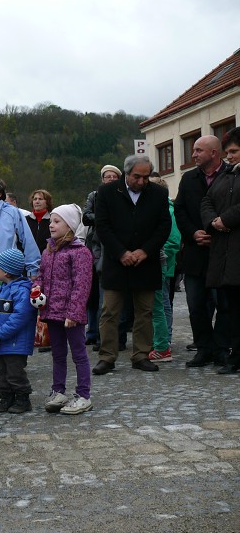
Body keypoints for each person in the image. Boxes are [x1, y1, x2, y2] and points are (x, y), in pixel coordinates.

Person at [92, 155, 171, 375]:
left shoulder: (158, 193)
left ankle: (141, 355)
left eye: (146, 177)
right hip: (116, 262)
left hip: (146, 261)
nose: (142, 181)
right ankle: (107, 357)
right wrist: (121, 252)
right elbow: (102, 226)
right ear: (127, 173)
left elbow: (163, 226)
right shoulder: (107, 192)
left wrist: (145, 250)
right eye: (137, 176)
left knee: (144, 311)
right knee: (109, 311)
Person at [174, 135, 230, 368]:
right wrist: (193, 233)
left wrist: (216, 233)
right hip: (195, 253)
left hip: (223, 252)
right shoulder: (188, 179)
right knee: (196, 305)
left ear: (214, 153)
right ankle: (203, 349)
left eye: (198, 150)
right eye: (194, 150)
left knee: (225, 305)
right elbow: (180, 211)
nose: (194, 154)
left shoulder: (231, 175)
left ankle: (221, 349)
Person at [34, 205, 93, 415]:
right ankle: (58, 391)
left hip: (70, 315)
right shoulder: (48, 250)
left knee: (79, 354)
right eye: (51, 221)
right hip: (52, 312)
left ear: (70, 225)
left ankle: (84, 394)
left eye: (57, 221)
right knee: (58, 354)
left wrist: (74, 313)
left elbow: (81, 285)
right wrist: (37, 290)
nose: (51, 224)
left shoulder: (80, 252)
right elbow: (41, 275)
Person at [201, 128, 240, 374]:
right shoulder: (226, 176)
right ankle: (235, 357)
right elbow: (206, 201)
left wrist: (225, 219)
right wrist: (213, 221)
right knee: (233, 310)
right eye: (228, 152)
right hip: (226, 256)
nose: (230, 156)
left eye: (235, 151)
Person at [0, 249, 37, 414]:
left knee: (15, 373)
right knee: (1, 372)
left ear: (6, 272)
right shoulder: (1, 289)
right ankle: (7, 397)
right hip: (1, 342)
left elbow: (19, 319)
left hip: (15, 343)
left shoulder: (22, 291)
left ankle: (22, 399)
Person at [83, 165, 122, 350]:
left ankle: (110, 338)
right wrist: (104, 218)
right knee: (95, 296)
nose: (111, 179)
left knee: (111, 298)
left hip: (115, 248)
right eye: (108, 176)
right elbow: (85, 217)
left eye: (114, 176)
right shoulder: (94, 195)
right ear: (102, 179)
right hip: (95, 247)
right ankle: (96, 335)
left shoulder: (124, 195)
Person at [148, 176, 181, 364]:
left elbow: (173, 241)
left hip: (162, 264)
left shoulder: (168, 210)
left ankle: (164, 340)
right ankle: (160, 340)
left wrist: (158, 254)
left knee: (162, 304)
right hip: (158, 263)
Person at [25, 190, 53, 255]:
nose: (37, 201)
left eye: (40, 199)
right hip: (28, 258)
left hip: (47, 257)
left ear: (47, 202)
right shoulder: (25, 220)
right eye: (35, 199)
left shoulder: (52, 220)